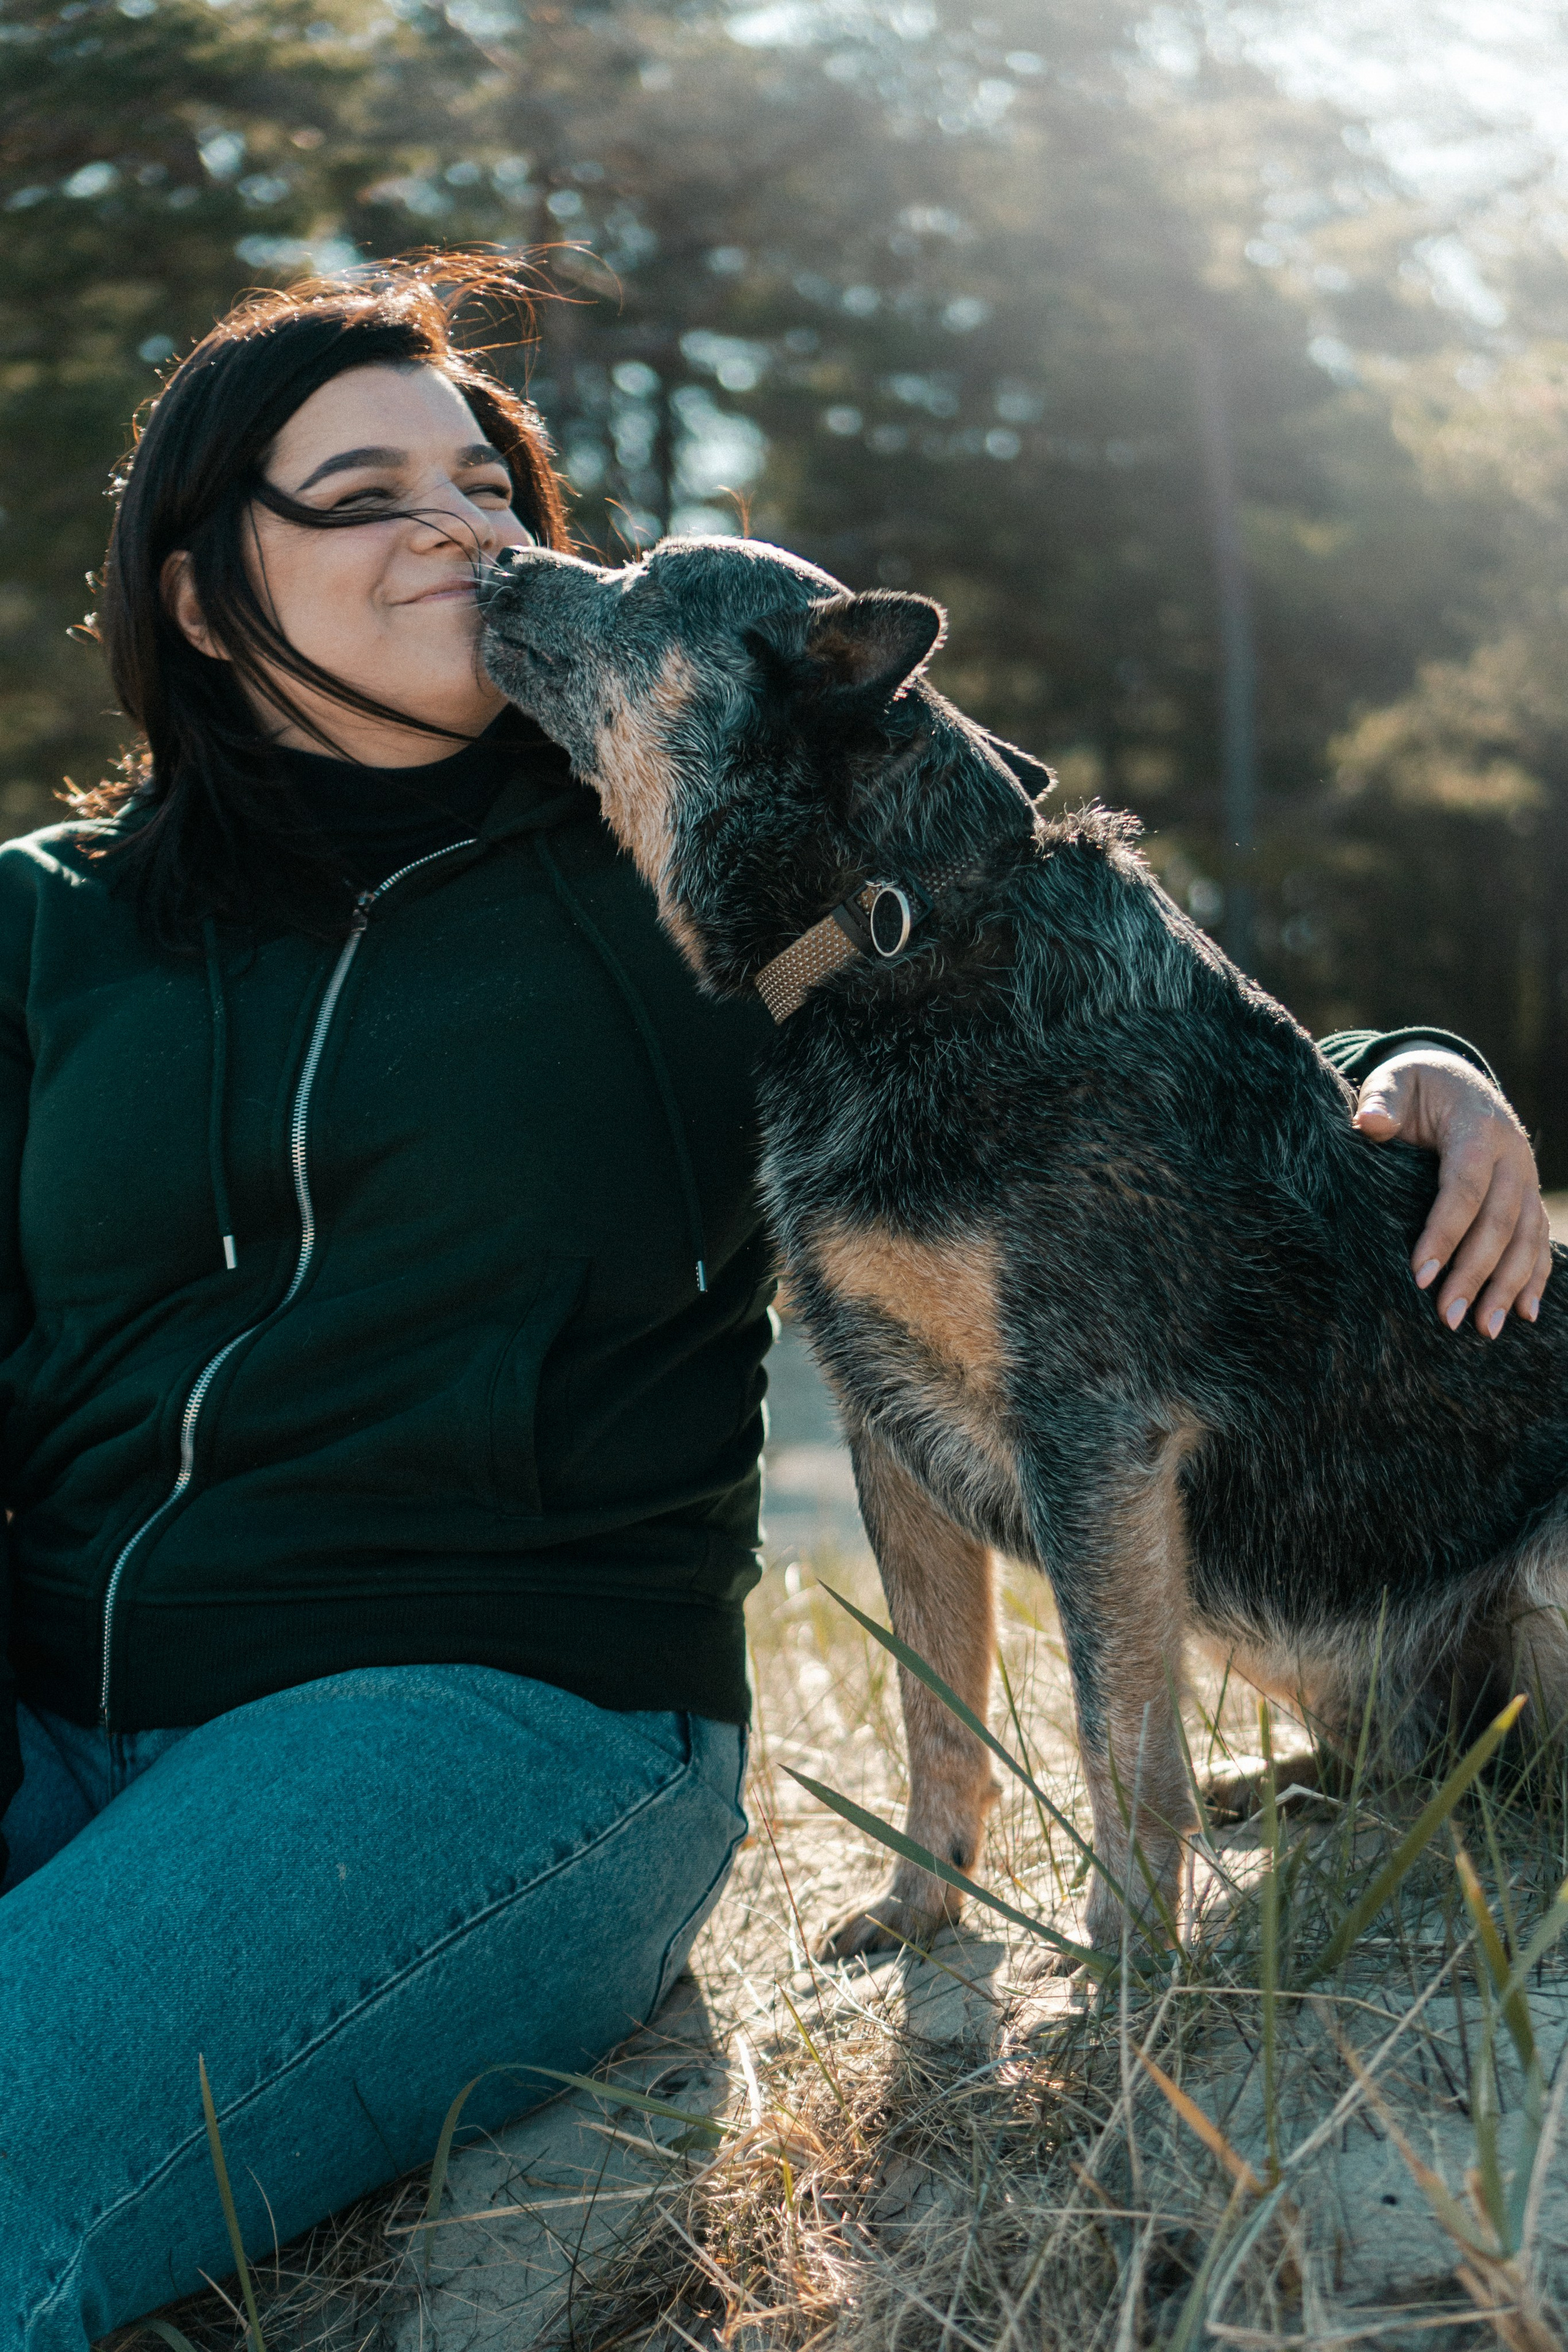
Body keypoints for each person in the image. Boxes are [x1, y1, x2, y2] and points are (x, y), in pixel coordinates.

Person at [0, 257, 1550, 2350]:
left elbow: (1115, 1072)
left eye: (486, 481)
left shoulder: (710, 876)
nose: (466, 530)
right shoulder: (46, 923)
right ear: (198, 594)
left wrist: (1421, 1066)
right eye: (367, 495)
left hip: (471, 1718)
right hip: (55, 1690)